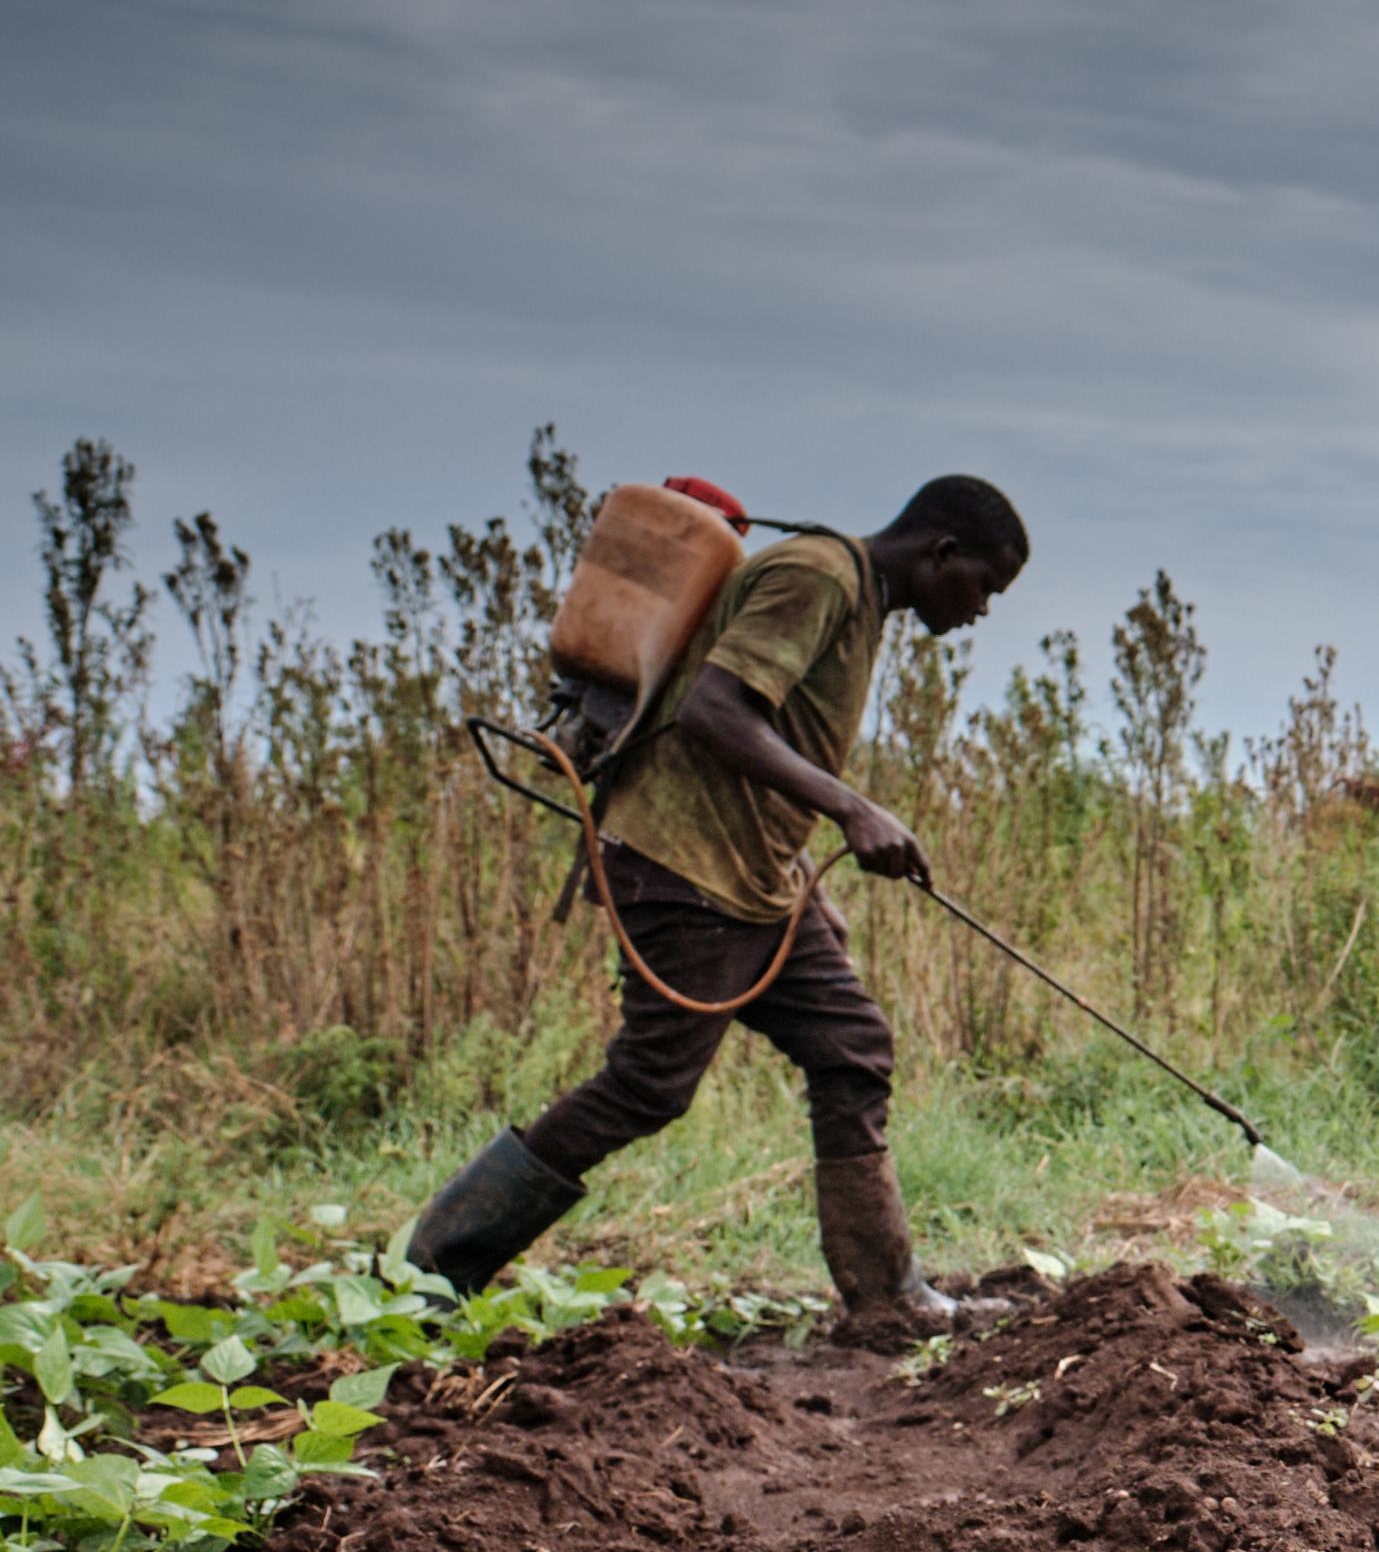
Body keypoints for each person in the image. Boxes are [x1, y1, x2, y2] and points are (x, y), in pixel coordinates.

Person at [406, 474, 1028, 1343]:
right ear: (941, 553)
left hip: (757, 875)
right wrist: (853, 809)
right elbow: (714, 711)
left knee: (851, 1050)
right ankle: (426, 1274)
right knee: (649, 1084)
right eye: (983, 589)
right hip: (684, 865)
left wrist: (807, 866)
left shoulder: (857, 598)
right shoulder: (819, 577)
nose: (981, 611)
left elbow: (772, 734)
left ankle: (887, 1298)